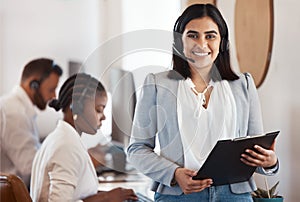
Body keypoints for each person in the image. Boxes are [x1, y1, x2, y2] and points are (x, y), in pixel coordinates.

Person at [127, 4, 279, 201]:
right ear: (179, 41)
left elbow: (256, 147)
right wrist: (174, 174)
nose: (201, 44)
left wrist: (269, 162)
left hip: (233, 196)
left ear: (222, 42)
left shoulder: (244, 85)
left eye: (210, 36)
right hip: (179, 195)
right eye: (192, 35)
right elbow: (137, 149)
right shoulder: (157, 84)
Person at [30, 73, 138, 202]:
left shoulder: (60, 138)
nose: (103, 117)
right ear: (76, 107)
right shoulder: (66, 146)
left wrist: (110, 195)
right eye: (99, 110)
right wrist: (106, 197)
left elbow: (76, 193)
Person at [0, 58, 63, 187]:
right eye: (51, 90)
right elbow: (30, 166)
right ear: (34, 85)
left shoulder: (20, 110)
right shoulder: (14, 113)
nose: (53, 96)